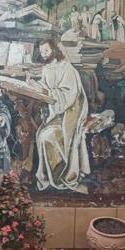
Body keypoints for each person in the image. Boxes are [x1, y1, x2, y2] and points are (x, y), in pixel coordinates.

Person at [26, 39, 90, 193]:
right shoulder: (47, 68)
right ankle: (49, 177)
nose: (43, 54)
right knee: (42, 135)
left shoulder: (67, 68)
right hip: (54, 114)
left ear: (54, 50)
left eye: (46, 51)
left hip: (68, 115)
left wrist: (48, 93)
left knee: (46, 136)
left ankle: (59, 175)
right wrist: (33, 84)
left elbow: (69, 95)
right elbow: (45, 87)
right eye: (41, 51)